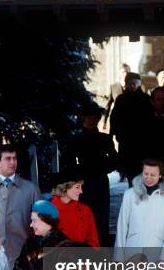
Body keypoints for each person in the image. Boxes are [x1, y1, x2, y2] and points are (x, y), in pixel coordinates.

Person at [63, 102, 118, 245]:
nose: (92, 120)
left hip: (99, 180)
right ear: (83, 119)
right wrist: (78, 174)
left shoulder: (105, 139)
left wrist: (102, 168)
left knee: (101, 217)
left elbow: (114, 159)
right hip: (82, 182)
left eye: (95, 117)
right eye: (89, 117)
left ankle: (102, 248)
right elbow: (68, 161)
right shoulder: (76, 139)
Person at [110, 72, 153, 186]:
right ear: (126, 84)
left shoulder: (146, 99)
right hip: (127, 143)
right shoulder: (121, 99)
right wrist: (116, 134)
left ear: (139, 83)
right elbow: (114, 118)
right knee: (131, 176)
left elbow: (151, 120)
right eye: (130, 83)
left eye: (135, 83)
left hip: (143, 143)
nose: (133, 85)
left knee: (144, 176)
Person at [102, 63, 129, 130]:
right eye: (123, 72)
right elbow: (108, 106)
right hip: (118, 121)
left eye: (127, 72)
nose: (125, 74)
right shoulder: (113, 87)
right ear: (120, 73)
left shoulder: (133, 88)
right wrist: (104, 122)